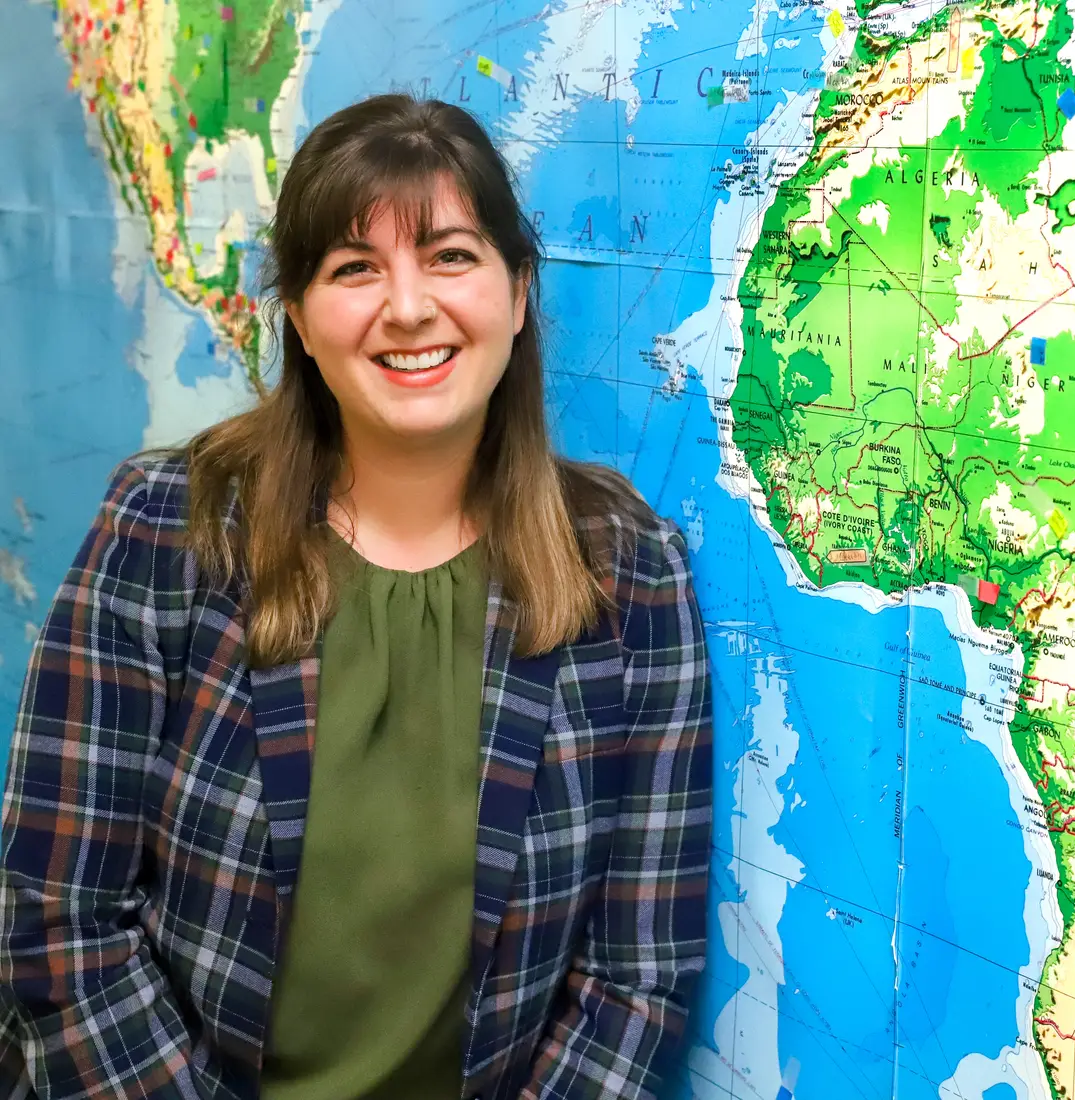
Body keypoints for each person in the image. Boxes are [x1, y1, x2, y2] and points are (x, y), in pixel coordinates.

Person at [0, 94, 713, 1100]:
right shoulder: (168, 528)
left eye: (451, 256)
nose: (408, 305)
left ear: (516, 293)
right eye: (354, 268)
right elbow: (59, 918)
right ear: (297, 315)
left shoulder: (629, 573)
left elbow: (633, 981)